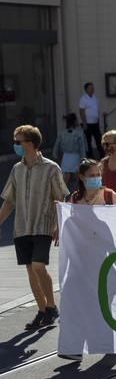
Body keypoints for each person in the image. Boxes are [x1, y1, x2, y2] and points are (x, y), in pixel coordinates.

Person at [0, 126, 68, 330]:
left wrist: (58, 224)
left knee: (38, 266)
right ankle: (42, 310)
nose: (15, 145)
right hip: (22, 227)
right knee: (31, 270)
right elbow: (9, 201)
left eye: (18, 141)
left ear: (29, 144)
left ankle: (52, 306)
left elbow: (60, 198)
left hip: (43, 225)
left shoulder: (51, 168)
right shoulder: (16, 169)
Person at [53, 113, 86, 185]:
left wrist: (55, 154)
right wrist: (84, 157)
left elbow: (57, 144)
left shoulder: (62, 133)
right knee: (79, 175)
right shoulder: (79, 133)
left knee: (67, 176)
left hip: (66, 156)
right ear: (74, 121)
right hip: (76, 156)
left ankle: (63, 194)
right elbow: (82, 146)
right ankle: (80, 192)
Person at [78, 82, 103, 159]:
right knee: (88, 141)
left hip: (95, 123)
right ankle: (90, 157)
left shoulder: (94, 97)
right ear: (86, 89)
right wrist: (84, 123)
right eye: (90, 88)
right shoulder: (83, 99)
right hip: (87, 123)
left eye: (93, 88)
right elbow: (81, 111)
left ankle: (102, 155)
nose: (92, 89)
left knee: (99, 139)